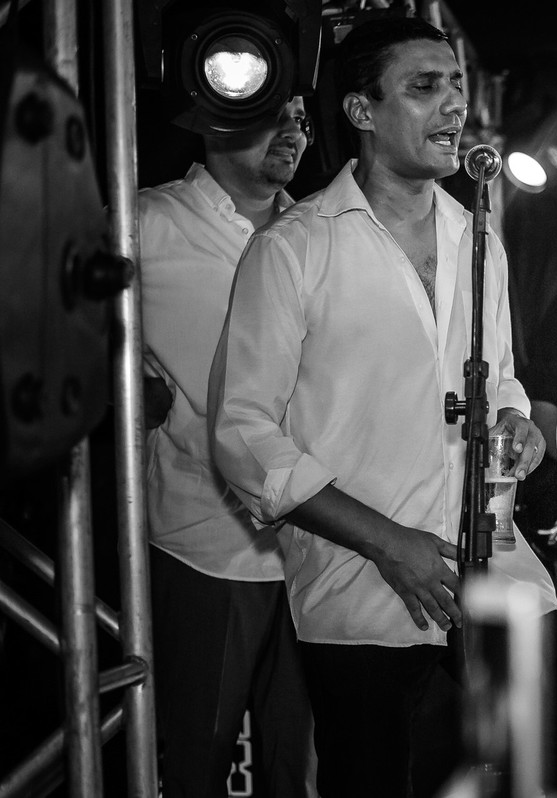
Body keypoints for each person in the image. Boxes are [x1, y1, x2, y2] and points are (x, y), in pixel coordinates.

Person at [207, 17, 557, 798]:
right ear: (362, 111)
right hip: (359, 583)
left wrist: (516, 425)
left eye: (457, 86)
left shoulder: (479, 237)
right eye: (424, 86)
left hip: (493, 561)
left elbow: (500, 379)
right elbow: (242, 435)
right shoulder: (294, 247)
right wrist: (385, 540)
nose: (453, 105)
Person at [139, 99, 317, 797]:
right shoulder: (149, 221)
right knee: (195, 762)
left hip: (318, 544)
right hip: (204, 541)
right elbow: (58, 328)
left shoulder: (319, 229)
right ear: (212, 115)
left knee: (304, 771)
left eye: (302, 115)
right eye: (274, 112)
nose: (294, 130)